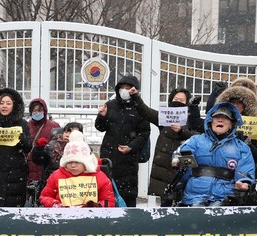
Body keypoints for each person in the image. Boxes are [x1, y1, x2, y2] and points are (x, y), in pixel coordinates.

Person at [173, 102, 255, 207]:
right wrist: (179, 160)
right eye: (217, 117)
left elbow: (246, 172)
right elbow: (180, 155)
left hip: (225, 196)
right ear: (210, 121)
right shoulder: (196, 141)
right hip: (195, 195)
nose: (220, 120)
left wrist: (244, 183)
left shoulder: (241, 148)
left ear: (231, 125)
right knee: (196, 212)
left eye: (225, 118)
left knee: (217, 214)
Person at [132, 87, 202, 201]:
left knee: (183, 202)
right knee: (166, 203)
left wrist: (182, 131)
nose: (177, 101)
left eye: (181, 100)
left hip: (184, 166)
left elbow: (199, 137)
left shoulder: (192, 119)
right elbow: (145, 111)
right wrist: (136, 96)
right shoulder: (165, 117)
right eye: (175, 98)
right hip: (163, 168)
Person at [95, 74, 150, 207]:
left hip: (128, 161)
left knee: (128, 194)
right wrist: (101, 116)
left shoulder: (140, 108)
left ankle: (128, 222)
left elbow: (144, 132)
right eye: (122, 87)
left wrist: (131, 146)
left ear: (134, 90)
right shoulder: (110, 105)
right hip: (109, 156)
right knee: (106, 192)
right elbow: (100, 127)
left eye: (128, 88)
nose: (124, 90)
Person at [39, 130, 115, 208]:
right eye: (69, 162)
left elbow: (109, 201)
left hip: (92, 217)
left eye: (77, 162)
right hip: (62, 217)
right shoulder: (56, 176)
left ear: (86, 162)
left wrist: (96, 206)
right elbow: (45, 197)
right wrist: (56, 205)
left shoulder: (100, 177)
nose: (73, 165)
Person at [31, 122, 84, 186]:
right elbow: (38, 160)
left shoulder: (84, 149)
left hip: (75, 183)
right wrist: (39, 149)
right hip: (54, 181)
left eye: (71, 133)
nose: (67, 135)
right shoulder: (52, 145)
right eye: (66, 132)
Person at [27, 98, 60, 182]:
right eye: (35, 111)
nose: (37, 114)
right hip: (30, 164)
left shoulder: (54, 126)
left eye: (40, 111)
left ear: (44, 111)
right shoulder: (26, 126)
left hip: (47, 163)